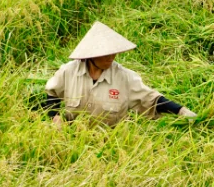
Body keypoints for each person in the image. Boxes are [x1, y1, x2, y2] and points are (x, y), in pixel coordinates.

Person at [45, 22, 198, 127]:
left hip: (109, 145)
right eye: (105, 54)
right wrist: (55, 116)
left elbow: (151, 99)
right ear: (90, 54)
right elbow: (52, 93)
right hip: (73, 139)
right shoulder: (68, 72)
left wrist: (181, 111)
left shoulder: (125, 78)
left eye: (113, 53)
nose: (111, 57)